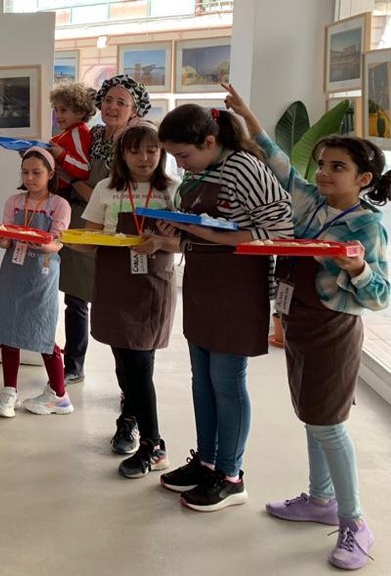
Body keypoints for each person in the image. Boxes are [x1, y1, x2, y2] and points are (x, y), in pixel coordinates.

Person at [226, 84, 389, 570]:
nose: (322, 173)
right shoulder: (308, 201)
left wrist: (353, 266)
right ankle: (321, 500)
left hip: (334, 327)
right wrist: (247, 113)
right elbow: (274, 157)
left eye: (336, 167)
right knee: (311, 415)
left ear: (363, 178)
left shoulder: (365, 226)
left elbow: (380, 295)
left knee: (328, 423)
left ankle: (355, 522)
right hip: (296, 320)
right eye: (321, 164)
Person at [155, 104, 293, 511]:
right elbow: (198, 227)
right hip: (201, 282)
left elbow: (280, 226)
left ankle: (231, 476)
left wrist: (208, 233)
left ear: (210, 141)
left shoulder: (245, 167)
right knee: (202, 379)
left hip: (237, 285)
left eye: (184, 155)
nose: (181, 165)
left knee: (227, 382)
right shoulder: (199, 172)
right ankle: (207, 461)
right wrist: (177, 228)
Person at [79, 123, 178, 476]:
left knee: (140, 363)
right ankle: (129, 417)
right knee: (124, 362)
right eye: (135, 151)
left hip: (152, 286)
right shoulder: (105, 189)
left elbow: (190, 241)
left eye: (152, 150)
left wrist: (163, 242)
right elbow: (89, 238)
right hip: (114, 282)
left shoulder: (173, 190)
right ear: (122, 154)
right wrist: (58, 238)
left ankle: (153, 444)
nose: (144, 157)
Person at [57, 74, 151, 387]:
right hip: (82, 222)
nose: (112, 106)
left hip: (117, 228)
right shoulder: (93, 135)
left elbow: (109, 194)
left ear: (134, 109)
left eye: (121, 102)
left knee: (119, 306)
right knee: (75, 300)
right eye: (108, 100)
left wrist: (73, 182)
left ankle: (129, 383)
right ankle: (73, 364)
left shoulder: (137, 141)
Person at [0, 147, 72, 418]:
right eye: (25, 172)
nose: (30, 178)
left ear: (50, 174)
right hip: (13, 271)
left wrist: (40, 241)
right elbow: (6, 241)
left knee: (44, 333)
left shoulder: (59, 205)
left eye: (37, 172)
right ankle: (9, 391)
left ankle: (60, 394)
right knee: (8, 331)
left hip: (42, 273)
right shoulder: (14, 200)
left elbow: (57, 243)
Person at [48, 82, 95, 190]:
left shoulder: (78, 133)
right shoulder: (68, 133)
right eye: (56, 110)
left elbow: (84, 169)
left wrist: (62, 155)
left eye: (63, 110)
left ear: (80, 112)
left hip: (67, 193)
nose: (58, 115)